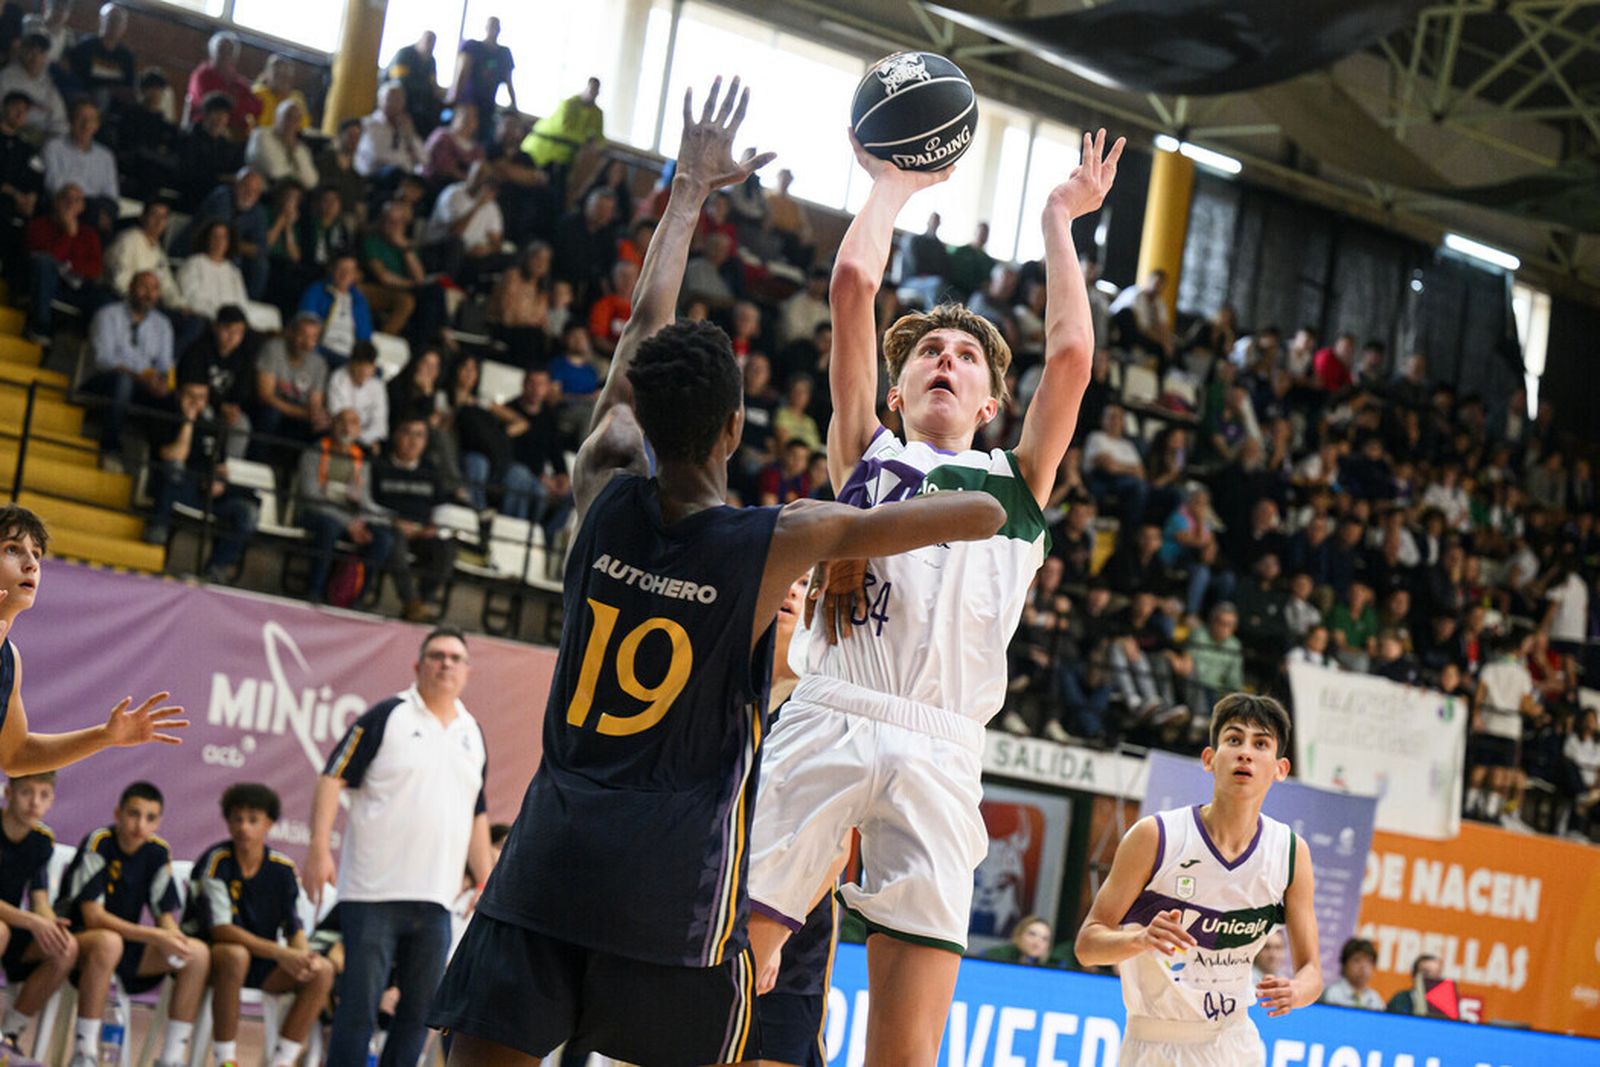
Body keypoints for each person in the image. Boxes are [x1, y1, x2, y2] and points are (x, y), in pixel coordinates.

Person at [426, 77, 1003, 1067]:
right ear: (737, 428)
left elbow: (643, 332)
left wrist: (688, 190)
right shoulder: (770, 538)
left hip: (552, 848)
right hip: (670, 886)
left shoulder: (603, 489)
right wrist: (852, 526)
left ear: (636, 418)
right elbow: (983, 510)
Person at [744, 125, 1123, 1062]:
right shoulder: (864, 454)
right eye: (928, 354)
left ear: (993, 403)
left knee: (907, 1046)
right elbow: (852, 289)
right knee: (735, 982)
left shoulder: (1017, 484)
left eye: (966, 356)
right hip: (829, 714)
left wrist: (1057, 221)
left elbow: (1071, 355)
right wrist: (887, 186)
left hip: (946, 746)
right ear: (899, 388)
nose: (945, 360)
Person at [1076, 695, 1321, 1065]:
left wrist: (1297, 991)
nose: (1245, 753)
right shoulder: (1155, 837)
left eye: (1261, 744)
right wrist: (1139, 938)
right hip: (1153, 1042)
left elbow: (1312, 971)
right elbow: (1087, 945)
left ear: (1280, 768)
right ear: (1209, 759)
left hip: (1234, 1044)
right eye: (1234, 740)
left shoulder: (1290, 852)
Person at [306, 626, 491, 1067]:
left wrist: (486, 881)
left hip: (437, 900)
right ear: (418, 665)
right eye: (437, 655)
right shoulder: (387, 715)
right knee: (358, 1009)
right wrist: (317, 848)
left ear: (467, 672)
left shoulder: (473, 732)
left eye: (455, 658)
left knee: (421, 1013)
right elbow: (332, 776)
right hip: (373, 894)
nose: (446, 663)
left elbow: (477, 813)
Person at [59, 782, 212, 1067]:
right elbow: (93, 916)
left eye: (150, 818)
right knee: (108, 942)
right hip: (82, 943)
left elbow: (164, 915)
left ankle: (171, 1058)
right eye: (133, 814)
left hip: (128, 946)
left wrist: (173, 937)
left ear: (159, 822)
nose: (140, 825)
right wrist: (155, 935)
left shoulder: (157, 853)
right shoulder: (99, 843)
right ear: (118, 813)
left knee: (199, 954)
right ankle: (86, 1052)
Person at [183, 783, 334, 1067]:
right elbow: (221, 929)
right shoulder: (216, 862)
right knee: (236, 955)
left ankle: (282, 1061)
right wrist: (282, 953)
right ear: (227, 822)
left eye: (253, 820)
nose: (243, 827)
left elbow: (294, 927)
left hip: (262, 963)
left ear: (269, 824)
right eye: (236, 819)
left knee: (322, 970)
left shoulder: (282, 869)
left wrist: (303, 955)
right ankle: (225, 1060)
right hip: (214, 958)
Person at [142, 377, 261, 580]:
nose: (196, 403)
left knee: (248, 510)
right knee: (174, 471)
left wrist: (218, 482)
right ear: (180, 395)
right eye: (191, 396)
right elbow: (174, 457)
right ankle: (157, 534)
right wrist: (188, 422)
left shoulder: (214, 425)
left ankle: (216, 569)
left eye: (201, 398)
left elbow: (222, 466)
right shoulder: (167, 417)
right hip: (179, 487)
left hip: (208, 491)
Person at [0, 770, 80, 1051]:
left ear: (51, 801)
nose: (34, 802)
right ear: (8, 794)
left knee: (65, 947)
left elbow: (40, 899)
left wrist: (49, 922)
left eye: (43, 795)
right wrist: (32, 921)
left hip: (14, 929)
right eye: (26, 793)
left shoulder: (42, 840)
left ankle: (9, 1034)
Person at [293, 409, 397, 606]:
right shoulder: (314, 452)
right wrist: (349, 522)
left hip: (350, 521)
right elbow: (311, 496)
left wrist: (390, 518)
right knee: (329, 526)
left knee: (383, 538)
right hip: (314, 514)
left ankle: (357, 599)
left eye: (353, 423)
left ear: (359, 431)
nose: (347, 427)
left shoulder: (361, 460)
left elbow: (365, 502)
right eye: (342, 421)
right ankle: (314, 592)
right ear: (333, 425)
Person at [83, 269, 173, 464]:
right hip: (105, 381)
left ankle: (161, 467)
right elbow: (103, 360)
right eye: (143, 287)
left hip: (144, 385)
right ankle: (110, 448)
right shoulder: (107, 314)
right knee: (123, 382)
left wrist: (163, 383)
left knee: (175, 398)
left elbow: (165, 365)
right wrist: (139, 377)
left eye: (154, 289)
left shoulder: (163, 325)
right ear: (130, 288)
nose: (149, 294)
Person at [372, 416, 456, 622]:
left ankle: (421, 603)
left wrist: (433, 527)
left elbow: (441, 506)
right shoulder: (379, 466)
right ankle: (411, 603)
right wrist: (393, 521)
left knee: (446, 549)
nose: (413, 441)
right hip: (388, 526)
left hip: (421, 531)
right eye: (407, 433)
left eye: (419, 435)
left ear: (426, 442)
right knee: (394, 543)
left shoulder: (430, 471)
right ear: (396, 436)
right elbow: (367, 503)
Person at [23, 181, 105, 343]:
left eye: (76, 200)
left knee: (104, 297)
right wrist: (69, 234)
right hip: (45, 282)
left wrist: (71, 267)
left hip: (75, 287)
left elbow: (95, 268)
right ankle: (41, 325)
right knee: (44, 263)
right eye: (66, 198)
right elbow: (47, 258)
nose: (70, 203)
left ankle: (82, 343)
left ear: (82, 207)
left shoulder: (89, 234)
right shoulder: (39, 225)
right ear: (56, 201)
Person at [177, 304, 256, 459]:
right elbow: (193, 388)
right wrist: (220, 406)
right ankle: (200, 461)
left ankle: (226, 468)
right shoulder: (198, 350)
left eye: (238, 332)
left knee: (242, 424)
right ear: (215, 327)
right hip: (195, 404)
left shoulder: (244, 356)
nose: (232, 337)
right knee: (205, 415)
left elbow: (243, 389)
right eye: (228, 330)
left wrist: (232, 408)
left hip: (225, 409)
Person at [253, 310, 330, 446]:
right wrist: (301, 413)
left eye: (313, 338)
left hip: (298, 414)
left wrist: (315, 415)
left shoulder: (319, 363)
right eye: (302, 335)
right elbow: (265, 396)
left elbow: (315, 403)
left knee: (321, 425)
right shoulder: (273, 349)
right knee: (271, 414)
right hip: (270, 408)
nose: (307, 343)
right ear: (290, 333)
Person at [42, 99, 118, 234]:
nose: (86, 124)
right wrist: (76, 203)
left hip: (94, 210)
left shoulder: (106, 156)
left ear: (97, 125)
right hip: (63, 205)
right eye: (81, 118)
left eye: (91, 120)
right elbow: (53, 184)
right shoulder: (54, 147)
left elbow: (111, 195)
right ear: (71, 120)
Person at [522, 77, 603, 203]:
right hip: (542, 152)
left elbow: (599, 138)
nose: (593, 94)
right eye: (591, 90)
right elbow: (564, 129)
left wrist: (596, 145)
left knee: (554, 196)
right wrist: (586, 141)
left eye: (596, 91)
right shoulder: (569, 104)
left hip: (564, 161)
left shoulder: (597, 113)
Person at [299, 253, 373, 368]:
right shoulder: (317, 291)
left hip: (349, 356)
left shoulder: (359, 301)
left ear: (355, 275)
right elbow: (306, 323)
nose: (345, 275)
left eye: (350, 271)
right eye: (341, 269)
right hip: (323, 349)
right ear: (332, 269)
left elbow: (365, 337)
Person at [451, 17, 516, 145]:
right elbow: (463, 72)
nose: (493, 30)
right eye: (491, 26)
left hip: (487, 107)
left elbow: (509, 82)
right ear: (486, 27)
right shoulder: (473, 47)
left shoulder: (504, 53)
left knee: (479, 143)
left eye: (496, 26)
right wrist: (455, 97)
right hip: (468, 102)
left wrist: (514, 106)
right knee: (458, 138)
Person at [183, 31, 259, 135]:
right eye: (221, 50)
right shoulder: (201, 75)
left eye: (229, 51)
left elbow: (255, 106)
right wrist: (236, 105)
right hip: (205, 128)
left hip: (235, 130)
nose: (225, 55)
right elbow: (209, 104)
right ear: (212, 53)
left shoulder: (239, 81)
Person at [177, 219, 250, 322]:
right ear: (207, 239)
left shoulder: (233, 271)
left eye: (223, 237)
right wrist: (220, 316)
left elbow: (242, 302)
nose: (219, 241)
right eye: (215, 236)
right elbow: (191, 298)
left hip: (231, 323)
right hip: (204, 319)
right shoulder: (194, 264)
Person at [66, 4, 134, 113]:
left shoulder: (126, 57)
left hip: (114, 104)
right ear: (101, 20)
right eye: (111, 19)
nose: (114, 24)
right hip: (84, 97)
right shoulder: (85, 47)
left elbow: (128, 88)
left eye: (118, 21)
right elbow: (74, 77)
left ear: (124, 26)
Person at [355, 82, 425, 183]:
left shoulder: (405, 126)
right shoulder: (369, 125)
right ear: (380, 101)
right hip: (377, 175)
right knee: (395, 173)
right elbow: (377, 156)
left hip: (404, 177)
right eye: (391, 99)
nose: (395, 104)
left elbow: (424, 158)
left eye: (398, 100)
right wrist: (405, 161)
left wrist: (410, 135)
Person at [0, 35, 66, 138]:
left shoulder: (48, 83)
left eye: (40, 52)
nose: (35, 57)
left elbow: (59, 120)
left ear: (45, 56)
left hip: (42, 137)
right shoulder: (6, 77)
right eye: (30, 51)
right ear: (22, 51)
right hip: (12, 133)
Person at [245, 99, 318, 189]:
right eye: (288, 117)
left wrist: (293, 150)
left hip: (289, 195)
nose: (291, 123)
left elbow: (311, 182)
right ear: (277, 118)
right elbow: (275, 172)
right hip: (262, 193)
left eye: (296, 119)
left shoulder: (301, 149)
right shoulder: (261, 135)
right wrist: (297, 175)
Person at [327, 340, 387, 447]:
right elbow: (337, 416)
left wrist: (362, 438)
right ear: (351, 363)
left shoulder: (378, 386)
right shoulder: (338, 378)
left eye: (368, 367)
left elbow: (379, 425)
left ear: (374, 367)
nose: (364, 371)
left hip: (365, 441)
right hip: (339, 436)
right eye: (360, 366)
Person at [385, 31, 441, 136]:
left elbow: (433, 84)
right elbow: (399, 82)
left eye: (433, 43)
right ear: (420, 40)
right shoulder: (404, 54)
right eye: (428, 41)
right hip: (398, 97)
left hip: (420, 102)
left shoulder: (431, 61)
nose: (430, 46)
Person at [250, 54, 310, 133]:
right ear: (266, 74)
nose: (283, 81)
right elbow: (255, 128)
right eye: (278, 74)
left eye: (287, 76)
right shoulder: (257, 94)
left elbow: (303, 128)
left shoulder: (296, 99)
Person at [1322, 937, 1385, 1010]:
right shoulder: (1332, 994)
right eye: (1357, 960)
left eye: (1368, 961)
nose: (1363, 967)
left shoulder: (1375, 999)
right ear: (1344, 965)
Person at [983, 914, 1055, 966]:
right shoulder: (993, 956)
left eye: (1044, 939)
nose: (1037, 942)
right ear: (1018, 935)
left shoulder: (1053, 966)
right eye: (1032, 934)